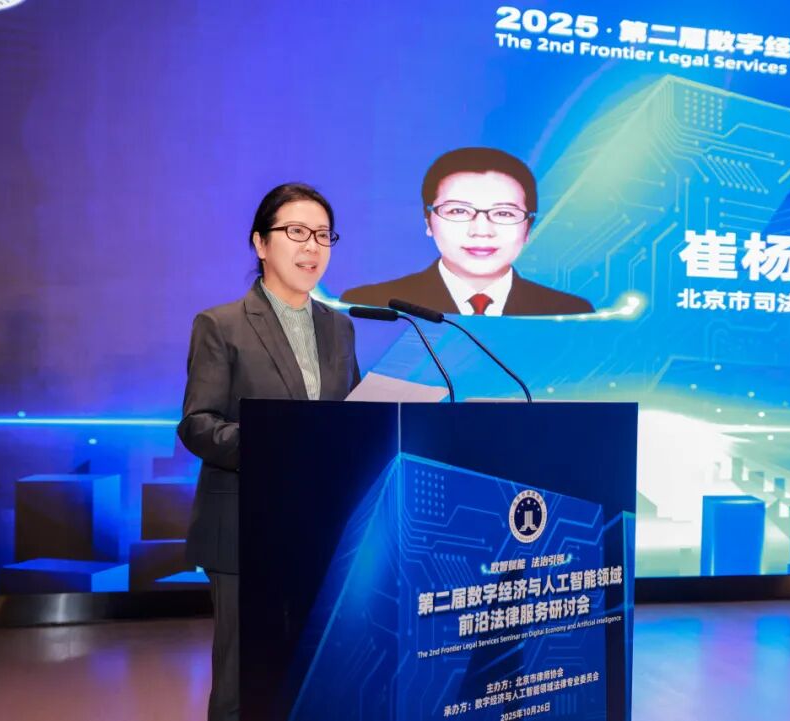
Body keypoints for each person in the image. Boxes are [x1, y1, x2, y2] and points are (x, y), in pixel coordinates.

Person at [178, 183, 361, 721]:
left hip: (321, 529)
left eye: (323, 235)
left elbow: (349, 415)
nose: (312, 247)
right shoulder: (221, 325)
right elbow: (197, 425)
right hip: (244, 526)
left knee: (312, 673)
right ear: (260, 243)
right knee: (243, 684)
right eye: (296, 232)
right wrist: (277, 444)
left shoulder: (340, 327)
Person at [340, 147, 593, 316]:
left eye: (504, 213)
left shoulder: (568, 313)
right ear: (428, 221)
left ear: (528, 227)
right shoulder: (372, 306)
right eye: (459, 211)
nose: (481, 230)